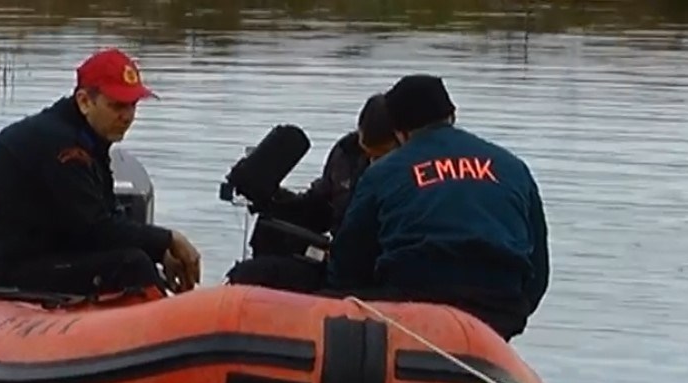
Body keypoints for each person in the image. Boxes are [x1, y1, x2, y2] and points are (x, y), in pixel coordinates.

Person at [0, 48, 201, 296]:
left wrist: (159, 252)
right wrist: (167, 240)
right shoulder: (62, 147)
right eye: (117, 106)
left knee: (134, 258)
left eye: (132, 105)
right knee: (130, 265)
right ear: (85, 101)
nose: (128, 116)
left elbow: (102, 217)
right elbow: (95, 230)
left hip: (27, 255)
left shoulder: (86, 140)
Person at [324, 74, 550, 341]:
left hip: (413, 304)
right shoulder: (513, 167)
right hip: (499, 309)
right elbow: (538, 272)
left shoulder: (384, 171)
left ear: (399, 131)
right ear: (452, 115)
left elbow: (347, 264)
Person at [224, 93, 398, 291]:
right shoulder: (346, 154)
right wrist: (273, 199)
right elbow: (320, 207)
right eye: (368, 153)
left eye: (381, 156)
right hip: (337, 259)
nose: (372, 162)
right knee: (258, 257)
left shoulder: (411, 173)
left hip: (378, 267)